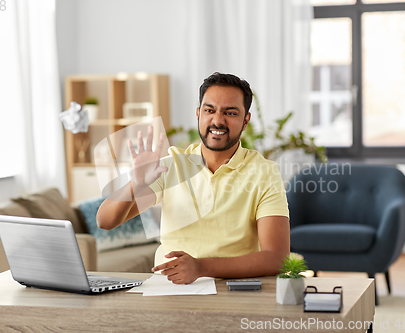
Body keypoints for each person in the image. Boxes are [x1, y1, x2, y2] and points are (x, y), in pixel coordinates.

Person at [97, 72, 290, 284]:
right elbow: (105, 221)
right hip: (169, 287)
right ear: (198, 114)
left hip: (233, 289)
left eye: (231, 113)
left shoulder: (264, 172)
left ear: (246, 121)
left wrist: (201, 267)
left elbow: (277, 259)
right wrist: (136, 183)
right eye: (209, 110)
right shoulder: (172, 165)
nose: (217, 120)